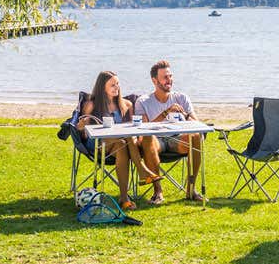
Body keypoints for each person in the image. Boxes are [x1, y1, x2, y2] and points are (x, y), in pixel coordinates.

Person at [134, 60, 205, 204]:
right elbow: (143, 129)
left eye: (170, 76)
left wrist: (184, 114)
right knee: (147, 138)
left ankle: (191, 189)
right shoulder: (143, 101)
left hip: (177, 139)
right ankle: (157, 191)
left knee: (197, 136)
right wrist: (166, 112)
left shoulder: (181, 98)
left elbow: (197, 124)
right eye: (165, 77)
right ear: (155, 80)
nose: (169, 80)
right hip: (156, 141)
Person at [77, 70, 140, 211]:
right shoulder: (92, 105)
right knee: (123, 140)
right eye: (112, 85)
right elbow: (81, 130)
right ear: (102, 87)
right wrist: (82, 125)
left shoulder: (126, 105)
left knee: (123, 142)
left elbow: (132, 129)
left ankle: (124, 198)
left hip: (119, 144)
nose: (116, 87)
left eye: (117, 83)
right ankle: (142, 172)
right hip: (97, 144)